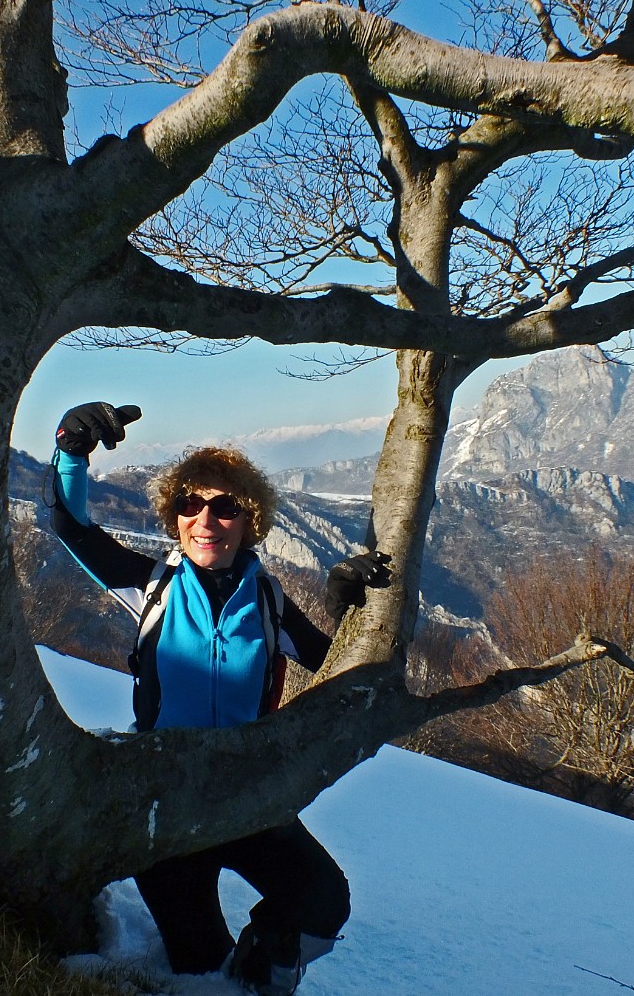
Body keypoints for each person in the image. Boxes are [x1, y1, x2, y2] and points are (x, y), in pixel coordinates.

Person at [47, 400, 387, 996]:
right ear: (174, 517)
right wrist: (71, 449)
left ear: (249, 522)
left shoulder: (269, 600)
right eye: (191, 505)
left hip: (245, 789)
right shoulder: (150, 586)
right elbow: (72, 527)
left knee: (322, 900)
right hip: (167, 796)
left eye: (225, 507)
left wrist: (349, 600)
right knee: (199, 961)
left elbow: (333, 665)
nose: (206, 519)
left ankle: (261, 975)